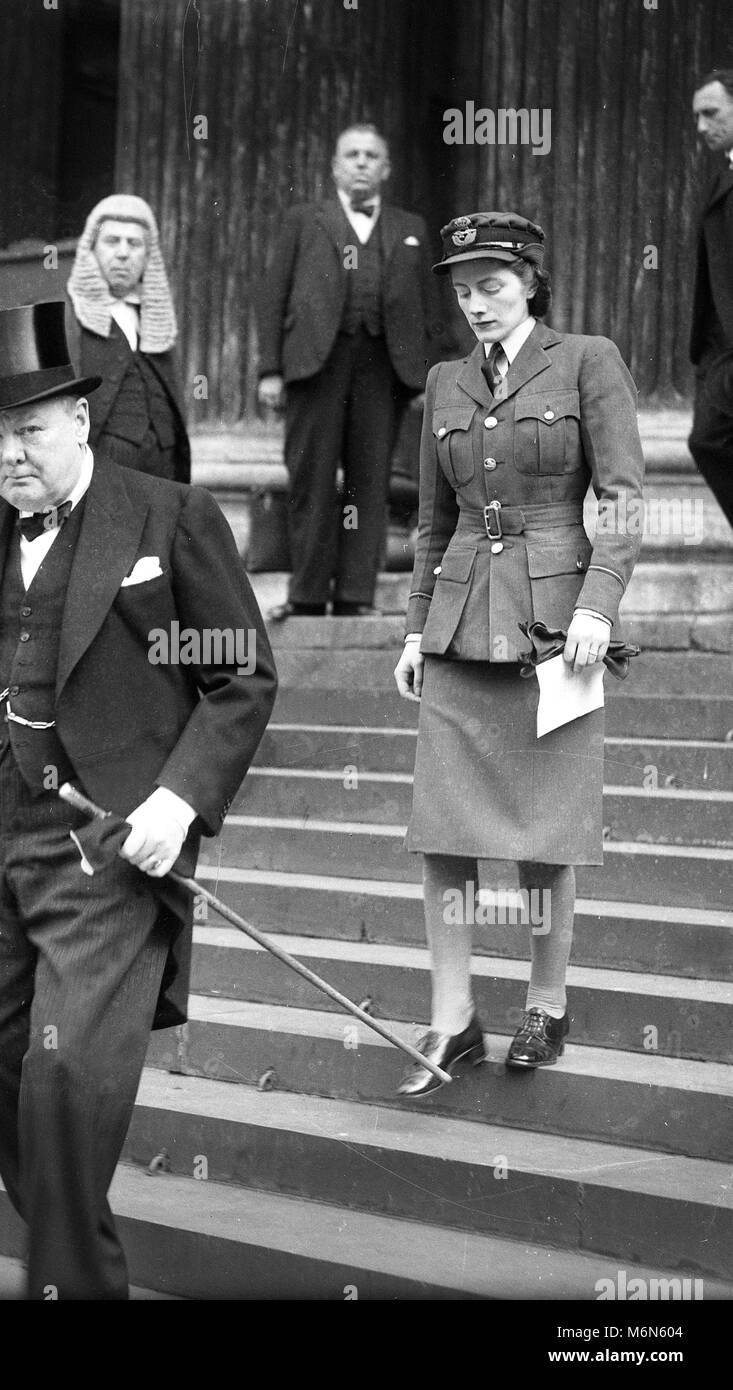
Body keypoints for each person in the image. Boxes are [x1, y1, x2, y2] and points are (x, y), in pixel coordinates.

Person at [0, 301, 276, 1298]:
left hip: (107, 842)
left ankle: (65, 1283)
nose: (9, 454)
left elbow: (239, 676)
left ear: (76, 419)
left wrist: (176, 802)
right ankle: (78, 1265)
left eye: (28, 431)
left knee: (66, 1078)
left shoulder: (168, 516)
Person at [393, 212, 645, 1097]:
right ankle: (453, 1017)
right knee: (444, 834)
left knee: (546, 833)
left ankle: (545, 1005)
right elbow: (432, 523)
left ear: (531, 282)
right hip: (462, 625)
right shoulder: (443, 383)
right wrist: (416, 626)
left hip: (554, 625)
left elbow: (618, 497)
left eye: (492, 286)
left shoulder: (587, 360)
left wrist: (597, 605)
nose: (476, 305)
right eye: (462, 292)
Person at [256, 123, 443, 618]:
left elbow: (429, 307)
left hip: (382, 368)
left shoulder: (411, 227)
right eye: (352, 154)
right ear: (336, 166)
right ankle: (308, 593)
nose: (361, 163)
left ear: (386, 169)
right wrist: (270, 370)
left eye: (371, 156)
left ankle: (357, 593)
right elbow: (273, 295)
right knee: (311, 476)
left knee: (370, 480)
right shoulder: (303, 219)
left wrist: (424, 376)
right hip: (315, 365)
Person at [66, 194, 190, 483]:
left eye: (134, 244)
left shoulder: (158, 319)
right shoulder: (68, 316)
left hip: (163, 466)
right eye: (112, 241)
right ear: (92, 249)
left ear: (149, 256)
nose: (123, 253)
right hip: (104, 465)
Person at [688, 71, 733, 529]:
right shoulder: (723, 180)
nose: (701, 127)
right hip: (723, 350)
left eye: (711, 113)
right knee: (708, 440)